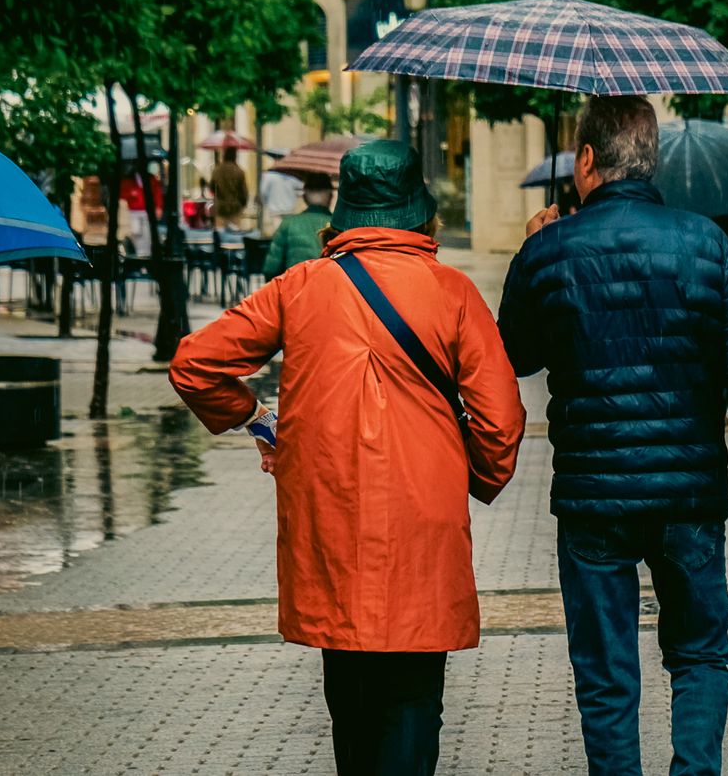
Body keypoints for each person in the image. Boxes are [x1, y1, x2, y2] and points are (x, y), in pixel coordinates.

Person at [169, 140, 525, 776]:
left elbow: (195, 364)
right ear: (423, 214)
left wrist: (256, 418)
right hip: (424, 533)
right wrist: (476, 476)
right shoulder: (454, 293)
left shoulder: (299, 287)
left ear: (347, 213)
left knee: (351, 702)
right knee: (414, 701)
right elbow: (500, 423)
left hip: (330, 532)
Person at [497, 96, 728, 776]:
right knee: (698, 654)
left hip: (592, 503)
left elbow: (512, 355)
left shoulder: (551, 250)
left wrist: (533, 254)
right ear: (650, 157)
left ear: (585, 160)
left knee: (606, 673)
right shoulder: (705, 244)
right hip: (688, 498)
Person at [263, 174, 333, 278]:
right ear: (331, 197)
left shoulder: (288, 224)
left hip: (294, 289)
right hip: (330, 289)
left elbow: (270, 268)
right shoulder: (340, 226)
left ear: (304, 197)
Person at [210, 149, 249, 231]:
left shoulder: (217, 170)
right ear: (235, 156)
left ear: (224, 156)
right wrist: (243, 204)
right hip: (235, 207)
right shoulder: (239, 171)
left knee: (220, 232)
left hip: (220, 207)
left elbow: (212, 188)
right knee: (235, 233)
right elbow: (243, 192)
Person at [258, 169, 304, 236]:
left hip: (274, 209)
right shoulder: (291, 176)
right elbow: (301, 190)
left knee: (278, 233)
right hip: (289, 209)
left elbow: (263, 192)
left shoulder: (268, 176)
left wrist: (264, 202)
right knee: (288, 233)